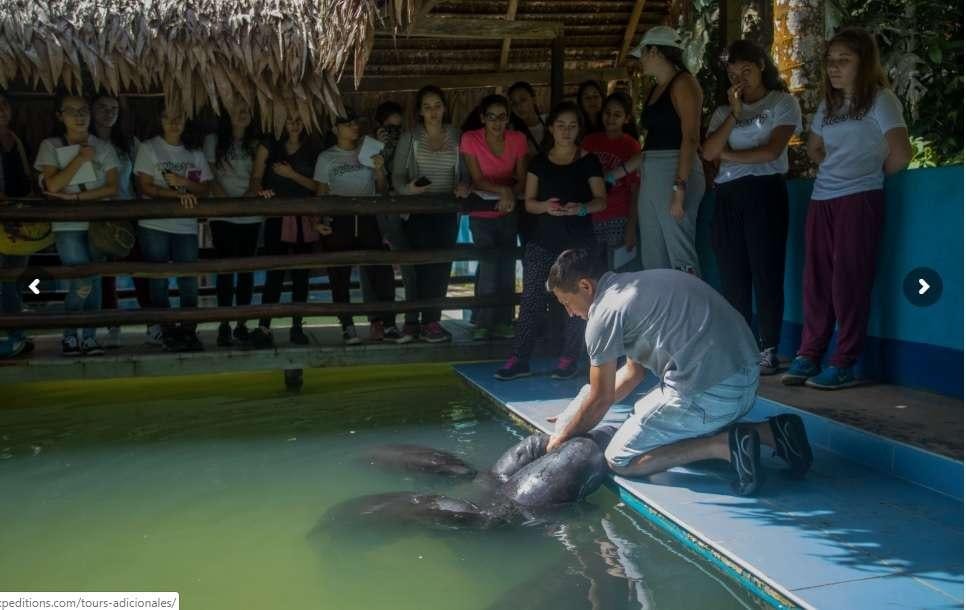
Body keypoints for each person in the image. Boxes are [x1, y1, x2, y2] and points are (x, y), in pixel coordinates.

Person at [545, 248, 814, 496]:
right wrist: (577, 410)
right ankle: (775, 432)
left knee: (619, 458)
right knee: (654, 418)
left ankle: (723, 446)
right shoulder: (635, 285)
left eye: (566, 302)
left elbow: (601, 398)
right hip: (746, 382)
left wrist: (565, 435)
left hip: (712, 394)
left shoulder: (602, 315)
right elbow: (631, 374)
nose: (569, 313)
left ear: (585, 286)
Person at [782, 27, 912, 389]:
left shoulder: (881, 100)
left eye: (844, 60)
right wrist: (838, 169)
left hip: (861, 198)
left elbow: (901, 154)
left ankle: (844, 362)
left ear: (864, 62)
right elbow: (814, 149)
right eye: (830, 61)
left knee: (849, 280)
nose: (834, 68)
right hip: (822, 198)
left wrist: (864, 175)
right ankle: (809, 354)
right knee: (817, 281)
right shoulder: (829, 104)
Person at [702, 40, 802, 376]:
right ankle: (741, 348)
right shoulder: (723, 112)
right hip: (727, 196)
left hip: (765, 192)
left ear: (762, 65)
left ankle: (769, 348)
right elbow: (707, 151)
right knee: (734, 276)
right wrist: (734, 113)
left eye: (747, 69)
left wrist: (726, 156)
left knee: (766, 271)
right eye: (733, 73)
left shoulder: (782, 102)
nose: (741, 77)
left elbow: (771, 152)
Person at [495, 102, 607, 381]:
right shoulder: (539, 162)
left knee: (575, 298)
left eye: (572, 126)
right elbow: (529, 203)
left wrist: (580, 208)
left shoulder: (588, 160)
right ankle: (519, 358)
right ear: (551, 128)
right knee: (531, 298)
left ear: (579, 129)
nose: (566, 131)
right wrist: (546, 206)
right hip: (543, 240)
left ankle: (569, 357)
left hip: (578, 244)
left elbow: (600, 200)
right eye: (561, 125)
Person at [607, 27, 705, 275]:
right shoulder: (654, 89)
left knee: (680, 252)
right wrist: (614, 174)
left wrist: (679, 188)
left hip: (676, 171)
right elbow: (652, 147)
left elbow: (690, 138)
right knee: (653, 256)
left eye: (643, 53)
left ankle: (691, 312)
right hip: (652, 173)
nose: (640, 60)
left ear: (655, 51)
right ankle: (662, 312)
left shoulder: (684, 82)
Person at [35, 94, 120, 356]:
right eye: (71, 111)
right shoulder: (49, 145)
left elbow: (112, 187)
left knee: (92, 278)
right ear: (59, 116)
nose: (79, 115)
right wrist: (81, 159)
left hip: (97, 225)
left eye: (83, 110)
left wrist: (74, 197)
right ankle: (71, 334)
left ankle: (89, 337)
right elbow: (52, 185)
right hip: (67, 226)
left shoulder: (104, 146)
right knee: (80, 279)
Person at [391, 86, 471, 343]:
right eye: (427, 107)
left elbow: (467, 172)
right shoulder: (410, 137)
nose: (433, 111)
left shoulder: (457, 136)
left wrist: (464, 185)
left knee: (441, 266)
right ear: (419, 112)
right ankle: (416, 322)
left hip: (447, 210)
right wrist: (409, 189)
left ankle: (432, 322)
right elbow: (397, 177)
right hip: (418, 210)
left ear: (445, 108)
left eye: (437, 105)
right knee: (419, 268)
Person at [314, 109, 400, 345]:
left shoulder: (369, 150)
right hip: (338, 219)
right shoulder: (326, 157)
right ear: (335, 129)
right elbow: (320, 194)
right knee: (338, 274)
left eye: (355, 123)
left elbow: (382, 190)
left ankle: (390, 324)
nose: (353, 127)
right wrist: (317, 221)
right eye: (347, 123)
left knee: (381, 270)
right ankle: (347, 326)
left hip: (367, 217)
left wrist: (380, 168)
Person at [133, 104, 212, 352]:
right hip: (154, 223)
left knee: (188, 279)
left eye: (179, 116)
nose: (174, 121)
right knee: (159, 279)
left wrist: (182, 182)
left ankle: (188, 330)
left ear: (186, 119)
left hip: (185, 226)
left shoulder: (194, 153)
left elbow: (204, 188)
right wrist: (176, 194)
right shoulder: (148, 147)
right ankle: (166, 329)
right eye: (168, 116)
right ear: (160, 119)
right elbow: (144, 187)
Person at [460, 94, 529, 342]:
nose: (497, 122)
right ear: (482, 118)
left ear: (508, 118)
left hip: (509, 211)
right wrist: (505, 190)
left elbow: (522, 176)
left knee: (507, 267)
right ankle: (482, 323)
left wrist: (510, 194)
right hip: (482, 213)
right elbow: (477, 179)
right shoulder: (470, 139)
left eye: (502, 117)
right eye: (491, 117)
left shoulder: (518, 139)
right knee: (488, 268)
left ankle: (503, 321)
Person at [251, 114, 322, 349]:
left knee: (301, 274)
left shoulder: (313, 147)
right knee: (275, 272)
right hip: (276, 215)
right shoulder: (269, 144)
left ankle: (297, 326)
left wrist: (292, 175)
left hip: (304, 215)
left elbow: (318, 186)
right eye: (288, 119)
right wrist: (261, 192)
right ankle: (264, 326)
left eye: (299, 119)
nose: (293, 124)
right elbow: (256, 178)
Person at [204, 101, 271, 348]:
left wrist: (245, 202)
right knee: (225, 269)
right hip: (221, 213)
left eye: (246, 109)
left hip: (250, 213)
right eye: (237, 109)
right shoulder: (213, 140)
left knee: (246, 270)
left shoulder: (256, 144)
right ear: (227, 113)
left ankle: (241, 323)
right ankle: (224, 323)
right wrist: (227, 204)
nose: (242, 113)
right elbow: (210, 175)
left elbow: (257, 177)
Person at [91, 94, 141, 349]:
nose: (108, 112)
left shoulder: (129, 143)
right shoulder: (83, 143)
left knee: (139, 267)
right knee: (102, 273)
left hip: (126, 209)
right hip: (95, 214)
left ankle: (153, 322)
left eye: (113, 108)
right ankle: (111, 322)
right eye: (101, 107)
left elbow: (144, 175)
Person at [580, 92, 641, 269]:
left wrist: (631, 226)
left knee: (619, 274)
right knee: (593, 273)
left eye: (617, 115)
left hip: (619, 218)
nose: (611, 118)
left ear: (626, 118)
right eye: (607, 112)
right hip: (591, 216)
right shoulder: (589, 142)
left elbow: (635, 189)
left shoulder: (631, 146)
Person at [0, 92, 34, 358]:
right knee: (5, 280)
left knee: (14, 279)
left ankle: (16, 334)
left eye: (4, 106)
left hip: (18, 220)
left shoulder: (15, 140)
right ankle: (13, 334)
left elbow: (24, 179)